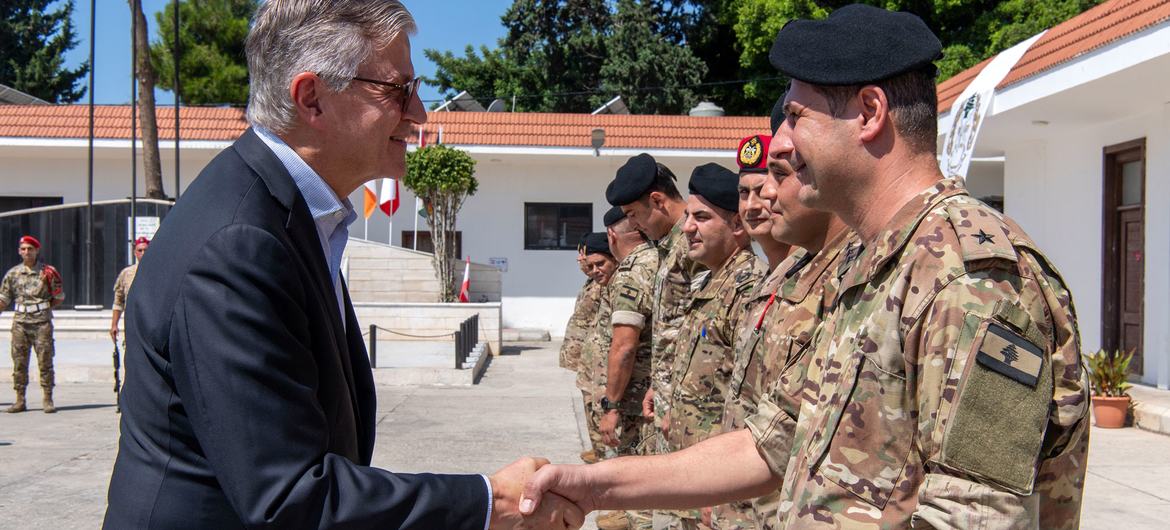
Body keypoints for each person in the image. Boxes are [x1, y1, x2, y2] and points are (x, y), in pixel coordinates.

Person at [521, 5, 1089, 529]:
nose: (779, 146)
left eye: (795, 116)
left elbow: (977, 515)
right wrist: (593, 485)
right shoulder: (870, 267)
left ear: (870, 113)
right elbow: (767, 442)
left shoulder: (971, 276)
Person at [103, 2, 582, 529]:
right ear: (312, 99)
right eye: (398, 89)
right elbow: (289, 497)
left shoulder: (285, 214)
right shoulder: (240, 244)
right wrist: (491, 502)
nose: (419, 111)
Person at [713, 133, 854, 530]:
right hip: (744, 498)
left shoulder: (840, 277)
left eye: (773, 180)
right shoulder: (780, 278)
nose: (759, 202)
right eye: (745, 193)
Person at [657, 163, 765, 530]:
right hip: (695, 471)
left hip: (719, 483)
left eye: (701, 217)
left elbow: (750, 403)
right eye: (687, 216)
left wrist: (720, 490)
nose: (687, 228)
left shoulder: (749, 288)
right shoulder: (711, 282)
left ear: (737, 225)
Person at [605, 153, 705, 453]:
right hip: (666, 397)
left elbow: (700, 329)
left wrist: (676, 393)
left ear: (658, 200)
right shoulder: (668, 248)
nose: (632, 225)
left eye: (634, 213)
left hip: (691, 404)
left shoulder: (693, 246)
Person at [596, 206, 658, 530]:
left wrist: (612, 406)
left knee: (637, 479)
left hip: (636, 400)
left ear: (611, 236)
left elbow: (623, 346)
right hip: (654, 393)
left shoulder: (632, 271)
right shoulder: (659, 259)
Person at [0, 235, 65, 414]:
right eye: (23, 249)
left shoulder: (47, 272)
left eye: (30, 249)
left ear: (37, 250)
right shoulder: (13, 273)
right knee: (19, 361)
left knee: (45, 360)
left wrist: (42, 308)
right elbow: (4, 298)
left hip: (41, 322)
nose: (26, 252)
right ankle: (20, 399)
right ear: (19, 251)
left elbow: (59, 297)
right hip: (20, 322)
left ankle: (47, 398)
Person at [575, 232, 619, 466]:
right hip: (592, 368)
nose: (594, 270)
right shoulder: (598, 282)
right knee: (593, 418)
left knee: (611, 431)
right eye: (590, 265)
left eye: (600, 263)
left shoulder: (617, 284)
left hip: (607, 374)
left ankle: (607, 469)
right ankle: (599, 456)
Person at [733, 135, 791, 269]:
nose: (751, 205)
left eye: (761, 190)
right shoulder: (764, 283)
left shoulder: (811, 272)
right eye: (744, 192)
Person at [559, 235, 603, 372]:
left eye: (582, 254)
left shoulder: (603, 284)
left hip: (594, 358)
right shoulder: (592, 282)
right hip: (584, 356)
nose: (579, 259)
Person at [110, 237, 150, 344]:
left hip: (152, 325)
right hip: (132, 325)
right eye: (140, 250)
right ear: (135, 253)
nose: (143, 253)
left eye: (146, 250)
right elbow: (118, 301)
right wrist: (114, 325)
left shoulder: (159, 273)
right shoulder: (127, 274)